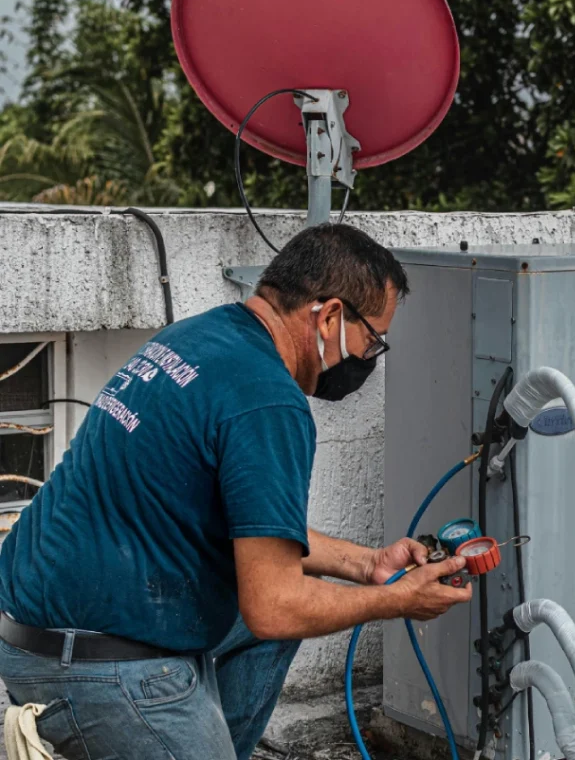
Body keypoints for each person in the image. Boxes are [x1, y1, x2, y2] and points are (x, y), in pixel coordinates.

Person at [0, 223, 472, 759]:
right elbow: (274, 606)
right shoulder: (268, 401)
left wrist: (368, 566)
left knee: (285, 605)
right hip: (95, 662)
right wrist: (397, 600)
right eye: (373, 339)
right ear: (330, 316)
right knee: (285, 608)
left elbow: (257, 535)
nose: (371, 357)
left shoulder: (195, 338)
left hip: (32, 623)